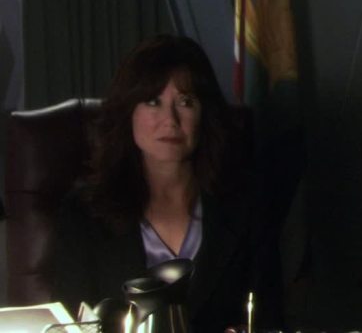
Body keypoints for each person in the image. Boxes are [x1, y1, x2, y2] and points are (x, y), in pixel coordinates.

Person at [47, 35, 282, 332]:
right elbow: (68, 324)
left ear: (204, 113)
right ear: (129, 112)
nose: (170, 120)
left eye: (185, 102)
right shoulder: (83, 214)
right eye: (153, 101)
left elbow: (269, 318)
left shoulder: (247, 206)